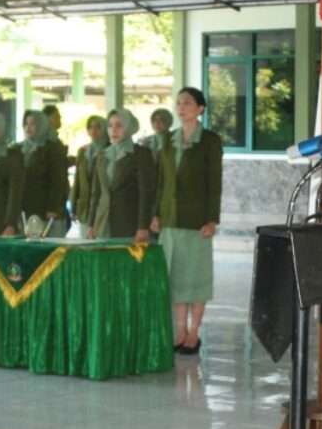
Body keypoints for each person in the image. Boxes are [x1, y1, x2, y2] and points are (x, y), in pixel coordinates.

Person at [151, 87, 223, 355]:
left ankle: (195, 332)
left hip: (197, 220)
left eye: (188, 103)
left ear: (200, 108)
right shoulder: (167, 140)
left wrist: (212, 219)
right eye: (179, 103)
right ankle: (179, 331)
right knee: (176, 277)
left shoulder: (210, 141)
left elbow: (214, 183)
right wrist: (156, 214)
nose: (182, 107)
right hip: (170, 218)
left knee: (196, 277)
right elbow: (161, 181)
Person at [92, 108, 154, 246]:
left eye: (119, 125)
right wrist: (91, 224)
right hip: (103, 222)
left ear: (129, 128)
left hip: (129, 223)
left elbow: (146, 193)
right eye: (110, 126)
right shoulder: (102, 155)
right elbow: (96, 193)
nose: (113, 130)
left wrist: (143, 227)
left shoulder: (141, 154)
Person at [17, 110, 68, 239]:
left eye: (33, 124)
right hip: (24, 209)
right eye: (26, 124)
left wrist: (53, 207)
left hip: (45, 209)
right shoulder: (18, 149)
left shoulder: (52, 148)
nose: (28, 127)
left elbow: (58, 180)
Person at [71, 114, 106, 237]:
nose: (93, 131)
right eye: (90, 127)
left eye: (98, 127)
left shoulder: (109, 150)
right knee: (84, 242)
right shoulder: (83, 151)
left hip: (101, 207)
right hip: (84, 207)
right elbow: (78, 181)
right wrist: (73, 204)